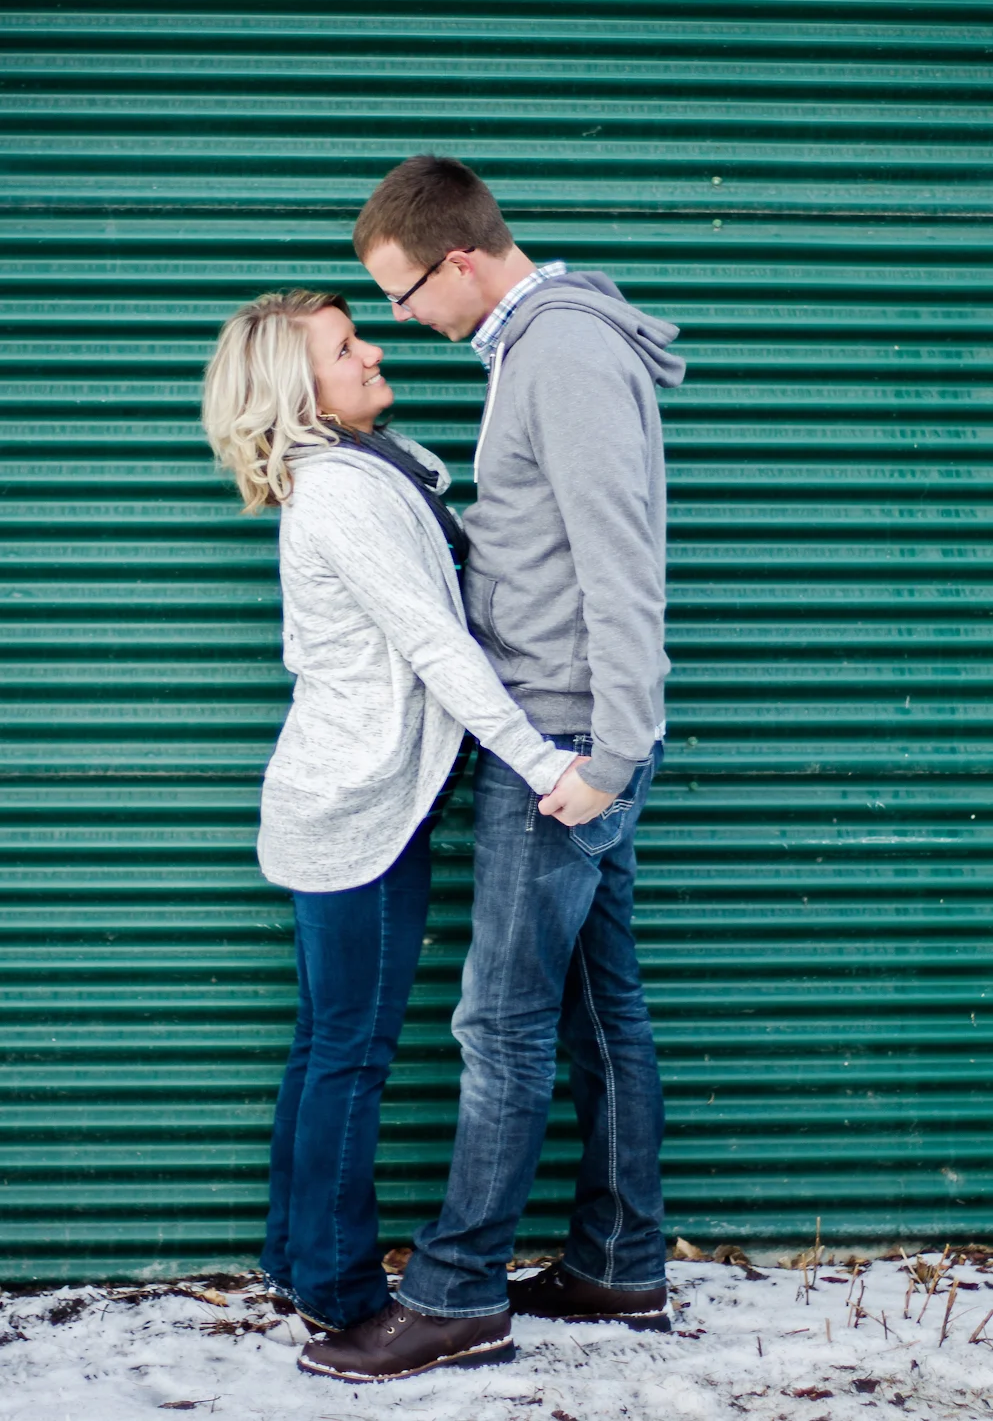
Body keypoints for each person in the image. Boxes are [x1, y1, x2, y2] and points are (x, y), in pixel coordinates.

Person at [297, 158, 685, 1383]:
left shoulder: (561, 353)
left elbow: (619, 565)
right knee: (596, 1012)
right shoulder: (534, 348)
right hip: (571, 732)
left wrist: (611, 756)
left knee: (500, 1022)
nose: (400, 323)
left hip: (566, 740)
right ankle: (619, 1263)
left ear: (459, 260)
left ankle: (459, 1291)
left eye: (403, 294)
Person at [200, 288, 578, 1363]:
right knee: (349, 1056)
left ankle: (293, 1255)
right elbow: (438, 645)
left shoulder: (372, 470)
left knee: (327, 1046)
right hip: (353, 812)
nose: (371, 352)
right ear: (297, 391)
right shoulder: (343, 494)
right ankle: (338, 1289)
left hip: (354, 801)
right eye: (343, 348)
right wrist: (543, 761)